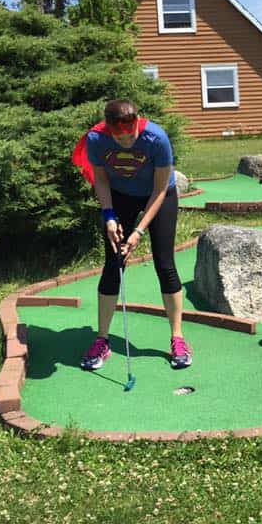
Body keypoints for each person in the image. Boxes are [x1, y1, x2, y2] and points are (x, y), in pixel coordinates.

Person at [70, 99, 192, 371]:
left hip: (159, 196)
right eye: (119, 136)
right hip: (120, 196)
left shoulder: (156, 138)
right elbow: (100, 180)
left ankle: (177, 337)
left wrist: (138, 231)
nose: (126, 139)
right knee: (114, 264)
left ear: (137, 123)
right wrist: (109, 216)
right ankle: (102, 339)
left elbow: (160, 191)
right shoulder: (97, 139)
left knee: (165, 264)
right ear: (110, 130)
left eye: (130, 134)